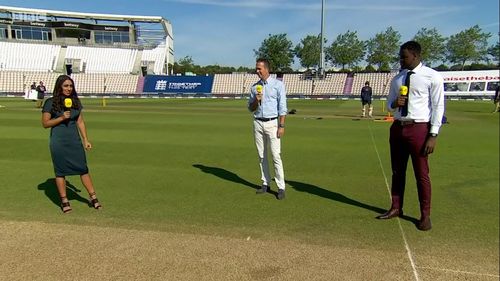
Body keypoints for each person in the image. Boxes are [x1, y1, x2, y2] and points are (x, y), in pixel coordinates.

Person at [376, 41, 445, 231]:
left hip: (419, 128)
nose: (401, 59)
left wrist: (433, 134)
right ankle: (396, 207)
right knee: (397, 172)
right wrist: (395, 103)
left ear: (415, 55)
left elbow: (438, 106)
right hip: (398, 128)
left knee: (421, 174)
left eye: (404, 56)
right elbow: (389, 104)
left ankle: (425, 215)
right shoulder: (397, 79)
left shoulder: (432, 77)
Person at [41, 75, 102, 213]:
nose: (69, 89)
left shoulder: (75, 101)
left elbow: (80, 121)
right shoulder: (50, 102)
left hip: (74, 141)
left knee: (83, 168)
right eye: (66, 86)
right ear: (59, 87)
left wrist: (86, 139)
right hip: (59, 141)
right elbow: (45, 123)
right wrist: (62, 117)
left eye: (70, 86)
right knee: (60, 171)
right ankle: (64, 200)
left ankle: (93, 197)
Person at [248, 58, 288, 200]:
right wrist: (256, 100)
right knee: (261, 155)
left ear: (266, 69)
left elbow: (282, 107)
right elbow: (250, 108)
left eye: (259, 68)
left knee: (276, 155)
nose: (257, 71)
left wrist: (281, 125)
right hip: (258, 122)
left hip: (272, 123)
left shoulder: (278, 85)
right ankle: (265, 183)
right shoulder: (254, 87)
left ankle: (281, 187)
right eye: (256, 68)